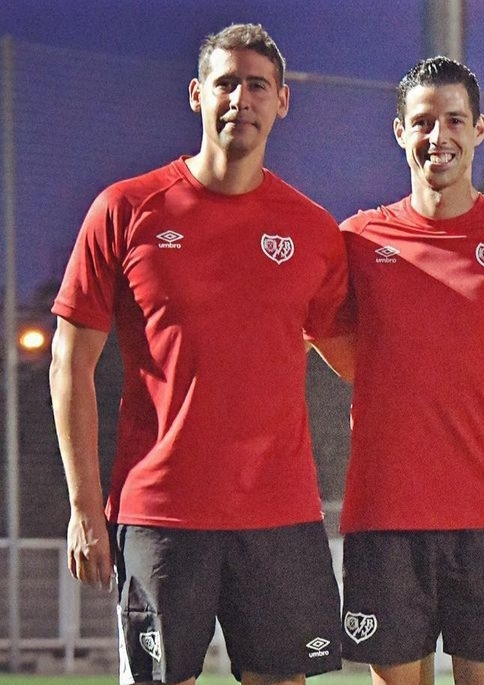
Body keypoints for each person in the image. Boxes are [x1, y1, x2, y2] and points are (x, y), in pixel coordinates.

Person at [49, 23, 345, 685]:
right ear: (196, 95)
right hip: (159, 511)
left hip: (280, 512)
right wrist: (83, 505)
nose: (242, 97)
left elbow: (356, 352)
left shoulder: (312, 229)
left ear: (282, 101)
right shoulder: (125, 210)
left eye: (257, 85)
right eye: (226, 82)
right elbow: (69, 359)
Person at [309, 57, 484, 685]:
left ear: (479, 129)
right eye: (424, 122)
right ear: (400, 131)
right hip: (386, 515)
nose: (440, 137)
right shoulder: (359, 239)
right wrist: (386, 377)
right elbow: (325, 334)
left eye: (454, 120)